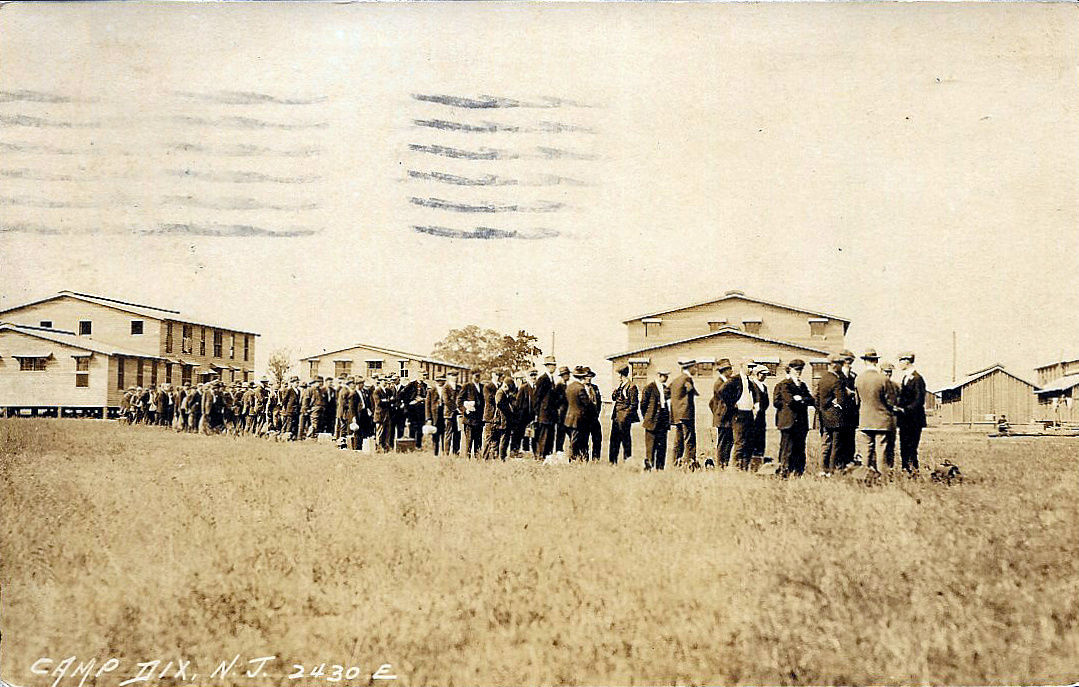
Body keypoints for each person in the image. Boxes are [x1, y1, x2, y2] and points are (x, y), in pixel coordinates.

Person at [854, 348, 897, 470]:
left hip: (865, 420)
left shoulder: (858, 379)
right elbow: (891, 401)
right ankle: (882, 479)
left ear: (865, 361)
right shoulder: (883, 379)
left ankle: (865, 476)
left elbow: (857, 401)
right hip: (882, 422)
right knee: (881, 451)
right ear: (876, 361)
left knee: (866, 451)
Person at [773, 359, 814, 476]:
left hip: (801, 423)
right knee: (787, 449)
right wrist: (801, 400)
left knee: (800, 449)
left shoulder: (802, 385)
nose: (798, 372)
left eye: (800, 370)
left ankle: (798, 473)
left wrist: (800, 398)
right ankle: (783, 472)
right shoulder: (784, 384)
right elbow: (790, 401)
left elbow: (811, 400)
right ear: (790, 370)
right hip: (788, 423)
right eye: (796, 370)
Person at [815, 353, 848, 474]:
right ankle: (832, 470)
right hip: (836, 418)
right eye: (841, 364)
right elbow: (842, 400)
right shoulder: (836, 380)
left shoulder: (822, 379)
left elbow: (817, 398)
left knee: (825, 444)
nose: (842, 367)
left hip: (824, 416)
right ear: (835, 365)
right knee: (836, 445)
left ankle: (823, 469)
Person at [722, 362, 758, 471]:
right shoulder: (734, 380)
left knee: (749, 442)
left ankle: (745, 468)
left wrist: (755, 405)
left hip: (749, 415)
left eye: (752, 368)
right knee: (740, 442)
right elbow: (722, 391)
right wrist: (732, 404)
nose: (751, 370)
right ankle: (736, 468)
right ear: (742, 367)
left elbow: (754, 396)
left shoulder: (750, 382)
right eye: (749, 367)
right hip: (739, 415)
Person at [895, 351, 927, 473]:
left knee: (911, 447)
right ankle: (905, 469)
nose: (899, 364)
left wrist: (905, 409)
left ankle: (913, 470)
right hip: (905, 420)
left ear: (907, 361)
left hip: (914, 420)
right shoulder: (905, 378)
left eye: (900, 361)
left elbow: (919, 400)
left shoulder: (917, 379)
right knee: (904, 446)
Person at [668, 358, 699, 468]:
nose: (696, 369)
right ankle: (690, 464)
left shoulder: (675, 380)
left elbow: (667, 392)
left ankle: (675, 463)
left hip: (677, 416)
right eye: (695, 367)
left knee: (678, 440)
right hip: (686, 415)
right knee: (689, 440)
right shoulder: (687, 379)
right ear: (690, 367)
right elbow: (690, 390)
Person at [639, 368, 670, 470]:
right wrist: (648, 418)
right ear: (659, 376)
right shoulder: (649, 388)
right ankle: (648, 469)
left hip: (663, 424)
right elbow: (643, 405)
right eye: (665, 376)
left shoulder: (666, 389)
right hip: (651, 424)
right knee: (650, 449)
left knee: (662, 448)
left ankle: (660, 469)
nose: (666, 378)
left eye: (667, 376)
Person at [563, 366, 595, 462]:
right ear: (583, 377)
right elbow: (587, 404)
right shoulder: (580, 388)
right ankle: (573, 459)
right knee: (576, 441)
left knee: (573, 440)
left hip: (569, 419)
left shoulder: (569, 386)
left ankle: (575, 458)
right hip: (578, 420)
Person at [609, 364, 639, 464]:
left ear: (622, 375)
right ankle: (612, 462)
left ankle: (627, 461)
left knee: (626, 441)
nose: (617, 377)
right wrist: (616, 390)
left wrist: (625, 416)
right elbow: (614, 398)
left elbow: (634, 404)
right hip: (616, 418)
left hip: (624, 419)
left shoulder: (632, 387)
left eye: (618, 375)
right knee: (614, 441)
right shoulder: (620, 386)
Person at [709, 358, 734, 468]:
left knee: (728, 441)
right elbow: (718, 402)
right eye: (729, 369)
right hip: (724, 418)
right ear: (724, 370)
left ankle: (725, 463)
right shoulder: (719, 383)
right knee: (723, 442)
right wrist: (718, 414)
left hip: (727, 418)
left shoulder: (726, 382)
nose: (731, 371)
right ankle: (720, 465)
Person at [532, 356, 559, 457]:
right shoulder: (542, 379)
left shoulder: (551, 379)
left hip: (551, 415)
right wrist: (536, 414)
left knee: (550, 437)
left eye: (555, 365)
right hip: (544, 415)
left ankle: (548, 456)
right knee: (543, 436)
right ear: (548, 366)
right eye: (552, 365)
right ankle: (541, 456)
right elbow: (536, 398)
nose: (554, 367)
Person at [837, 349, 859, 468]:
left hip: (851, 413)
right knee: (840, 440)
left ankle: (849, 463)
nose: (849, 364)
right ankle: (840, 464)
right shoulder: (837, 376)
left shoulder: (854, 376)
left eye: (850, 361)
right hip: (840, 413)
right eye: (846, 361)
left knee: (851, 440)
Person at [457, 369, 485, 459]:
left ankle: (478, 458)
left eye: (479, 376)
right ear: (471, 376)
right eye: (476, 376)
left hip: (479, 419)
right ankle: (467, 459)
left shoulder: (482, 387)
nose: (478, 378)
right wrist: (465, 409)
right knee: (469, 440)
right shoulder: (467, 386)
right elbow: (459, 400)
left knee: (478, 440)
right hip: (469, 419)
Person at [425, 374, 451, 456]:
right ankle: (435, 453)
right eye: (438, 380)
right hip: (435, 416)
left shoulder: (447, 390)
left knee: (445, 434)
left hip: (445, 415)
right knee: (435, 435)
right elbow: (427, 405)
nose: (440, 382)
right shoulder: (431, 391)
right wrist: (428, 418)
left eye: (442, 380)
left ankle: (444, 452)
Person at [750, 364, 771, 465]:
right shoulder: (751, 385)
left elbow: (766, 403)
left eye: (766, 375)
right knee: (752, 440)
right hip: (752, 418)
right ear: (757, 374)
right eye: (763, 374)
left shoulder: (764, 387)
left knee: (761, 441)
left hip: (761, 417)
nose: (764, 376)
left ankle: (760, 462)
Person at [493, 374, 517, 460]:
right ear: (505, 386)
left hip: (505, 420)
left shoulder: (504, 393)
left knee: (505, 439)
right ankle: (501, 457)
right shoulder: (500, 392)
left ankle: (501, 456)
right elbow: (499, 403)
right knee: (503, 440)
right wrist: (508, 410)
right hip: (502, 420)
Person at [404, 371, 430, 449]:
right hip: (412, 410)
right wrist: (409, 402)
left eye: (425, 375)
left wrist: (422, 399)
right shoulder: (411, 385)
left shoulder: (425, 386)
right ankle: (411, 445)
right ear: (418, 375)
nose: (424, 377)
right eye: (423, 375)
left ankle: (418, 445)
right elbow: (403, 395)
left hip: (421, 409)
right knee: (412, 427)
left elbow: (427, 397)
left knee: (420, 428)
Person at [512, 370, 535, 455]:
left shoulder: (531, 388)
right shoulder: (521, 388)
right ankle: (515, 450)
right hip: (520, 416)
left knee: (529, 433)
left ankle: (527, 449)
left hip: (529, 415)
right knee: (518, 433)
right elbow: (518, 403)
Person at [553, 366, 571, 455]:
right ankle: (559, 450)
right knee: (561, 433)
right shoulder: (559, 386)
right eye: (566, 374)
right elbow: (555, 400)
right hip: (561, 413)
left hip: (566, 412)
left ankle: (560, 450)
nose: (568, 376)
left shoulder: (566, 385)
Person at [443, 371, 461, 455]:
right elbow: (447, 401)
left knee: (457, 434)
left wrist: (461, 409)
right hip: (449, 414)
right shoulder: (446, 388)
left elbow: (461, 399)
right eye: (453, 376)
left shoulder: (459, 387)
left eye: (456, 376)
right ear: (448, 377)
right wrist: (456, 408)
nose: (455, 378)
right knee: (448, 434)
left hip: (458, 415)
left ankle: (456, 453)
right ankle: (446, 453)